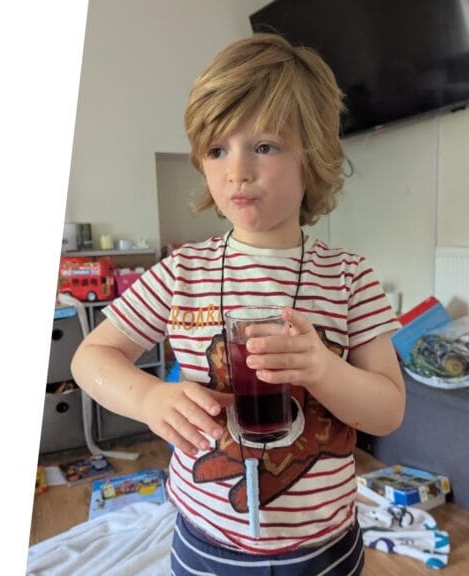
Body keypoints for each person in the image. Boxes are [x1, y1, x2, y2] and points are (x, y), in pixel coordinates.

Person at [70, 33, 404, 574]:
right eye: (218, 149)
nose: (237, 170)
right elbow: (91, 357)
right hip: (207, 545)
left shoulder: (349, 277)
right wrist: (151, 398)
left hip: (325, 549)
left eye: (264, 146)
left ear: (312, 157)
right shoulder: (183, 272)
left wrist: (322, 370)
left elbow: (388, 412)